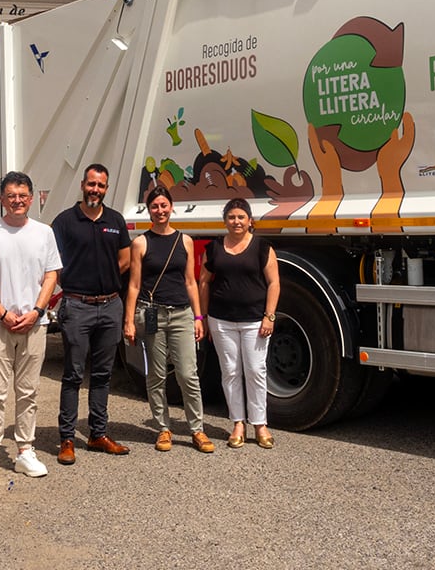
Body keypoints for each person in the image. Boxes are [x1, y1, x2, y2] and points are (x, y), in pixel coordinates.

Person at [0, 171, 62, 483]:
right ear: (2, 199)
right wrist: (2, 313)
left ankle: (25, 450)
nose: (17, 201)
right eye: (11, 196)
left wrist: (38, 311)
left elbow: (51, 275)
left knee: (29, 391)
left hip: (34, 324)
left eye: (23, 196)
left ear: (31, 198)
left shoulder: (44, 232)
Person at [123, 185, 214, 453]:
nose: (160, 211)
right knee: (157, 375)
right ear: (148, 210)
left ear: (171, 207)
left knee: (188, 374)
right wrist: (129, 321)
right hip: (153, 314)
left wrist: (198, 316)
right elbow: (134, 285)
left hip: (182, 314)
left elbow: (190, 282)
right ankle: (163, 428)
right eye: (155, 206)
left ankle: (197, 429)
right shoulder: (140, 242)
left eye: (164, 205)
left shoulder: (184, 241)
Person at [51, 163, 131, 465]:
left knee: (102, 375)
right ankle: (67, 439)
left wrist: (105, 281)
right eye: (91, 184)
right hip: (77, 306)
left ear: (106, 189)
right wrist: (75, 285)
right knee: (72, 374)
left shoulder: (115, 220)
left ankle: (98, 434)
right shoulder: (64, 222)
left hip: (110, 306)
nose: (95, 189)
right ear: (83, 185)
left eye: (100, 185)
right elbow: (53, 264)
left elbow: (124, 259)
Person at [199, 198, 280, 449]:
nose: (236, 221)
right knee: (231, 372)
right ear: (225, 221)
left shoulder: (262, 248)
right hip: (221, 321)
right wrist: (203, 318)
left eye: (241, 217)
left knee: (255, 370)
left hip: (255, 321)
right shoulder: (213, 249)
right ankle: (237, 423)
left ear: (249, 220)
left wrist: (269, 316)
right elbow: (204, 282)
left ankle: (260, 424)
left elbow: (274, 283)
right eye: (232, 217)